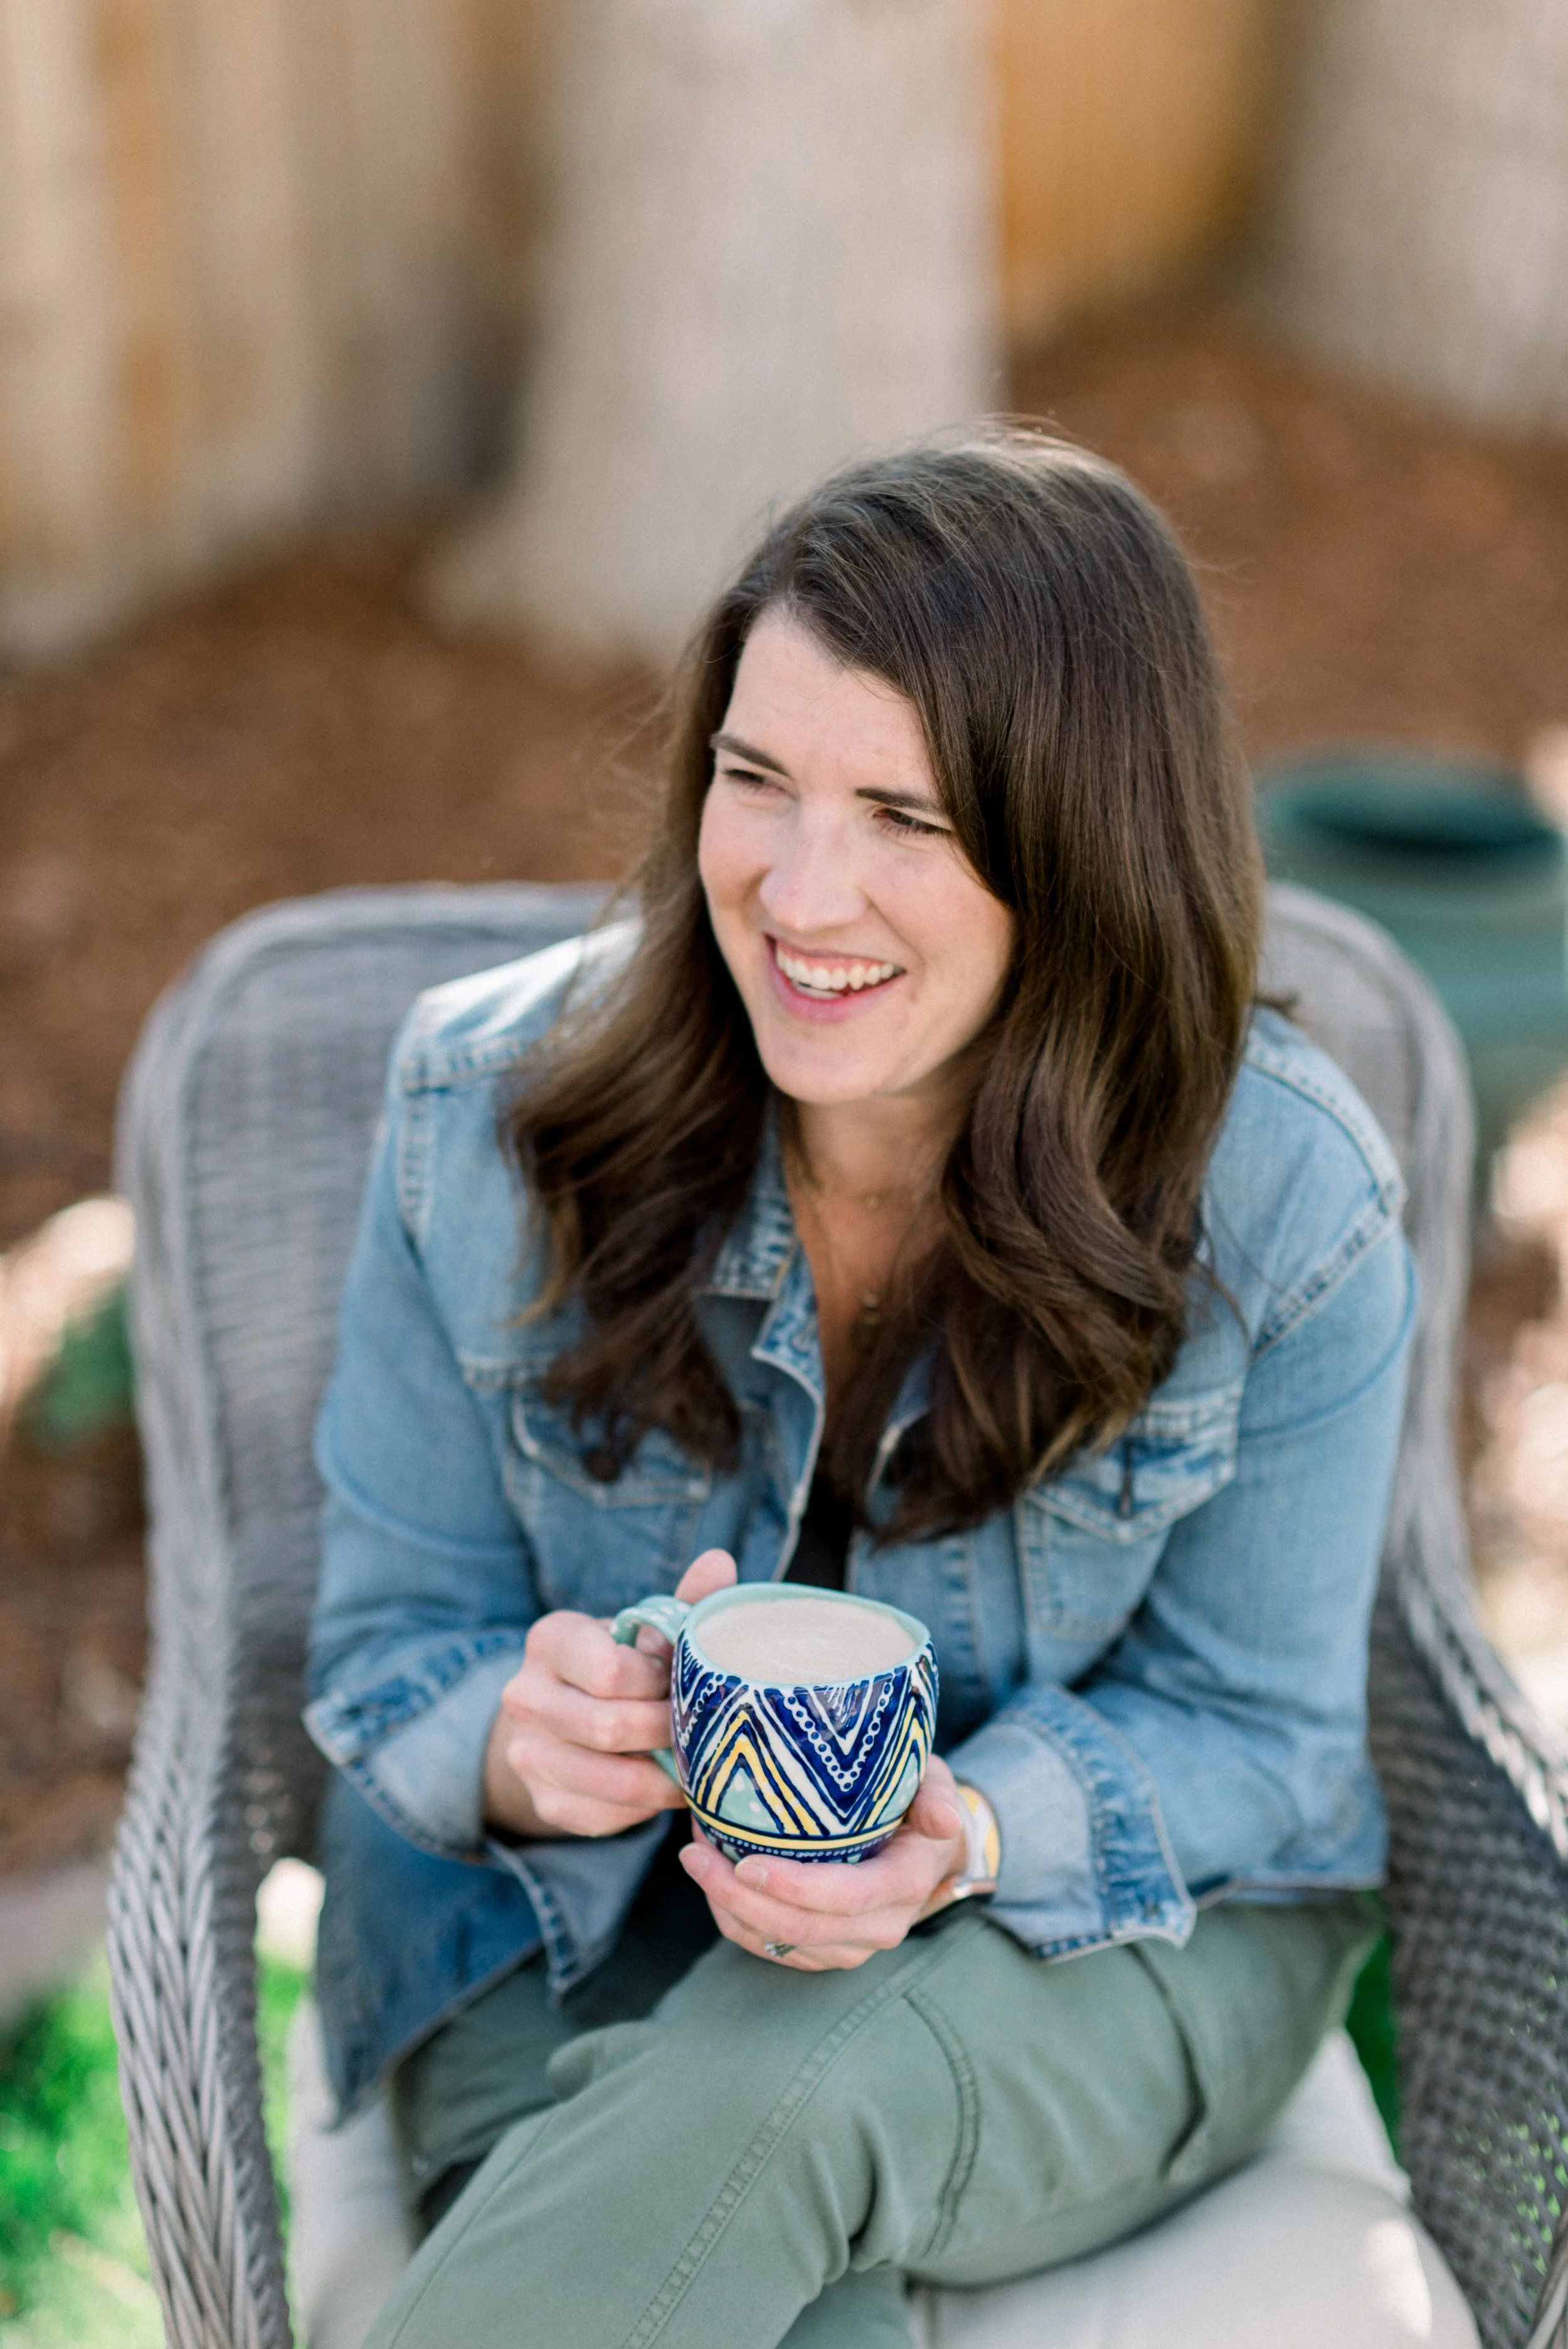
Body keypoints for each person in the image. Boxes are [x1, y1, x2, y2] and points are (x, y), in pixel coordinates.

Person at [305, 432, 1414, 2349]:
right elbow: (389, 1644)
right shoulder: (478, 1117)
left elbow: (1265, 1734)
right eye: (756, 780)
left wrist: (958, 1837)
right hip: (565, 1922)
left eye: (906, 816)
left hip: (1123, 1925)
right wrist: (518, 1743)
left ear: (1078, 843)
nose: (799, 893)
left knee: (787, 2082)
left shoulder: (1285, 1204)